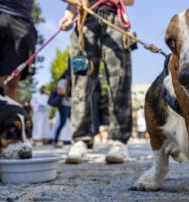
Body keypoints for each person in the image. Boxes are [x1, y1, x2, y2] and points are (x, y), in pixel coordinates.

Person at [60, 0, 135, 164]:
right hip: (84, 19)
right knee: (81, 81)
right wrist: (69, 13)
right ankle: (80, 140)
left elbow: (131, 1)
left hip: (113, 18)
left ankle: (119, 142)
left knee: (119, 80)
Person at [54, 78, 72, 147]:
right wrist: (67, 92)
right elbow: (59, 91)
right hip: (64, 105)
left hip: (71, 104)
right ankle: (56, 139)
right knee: (62, 123)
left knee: (72, 123)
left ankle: (70, 139)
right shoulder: (62, 81)